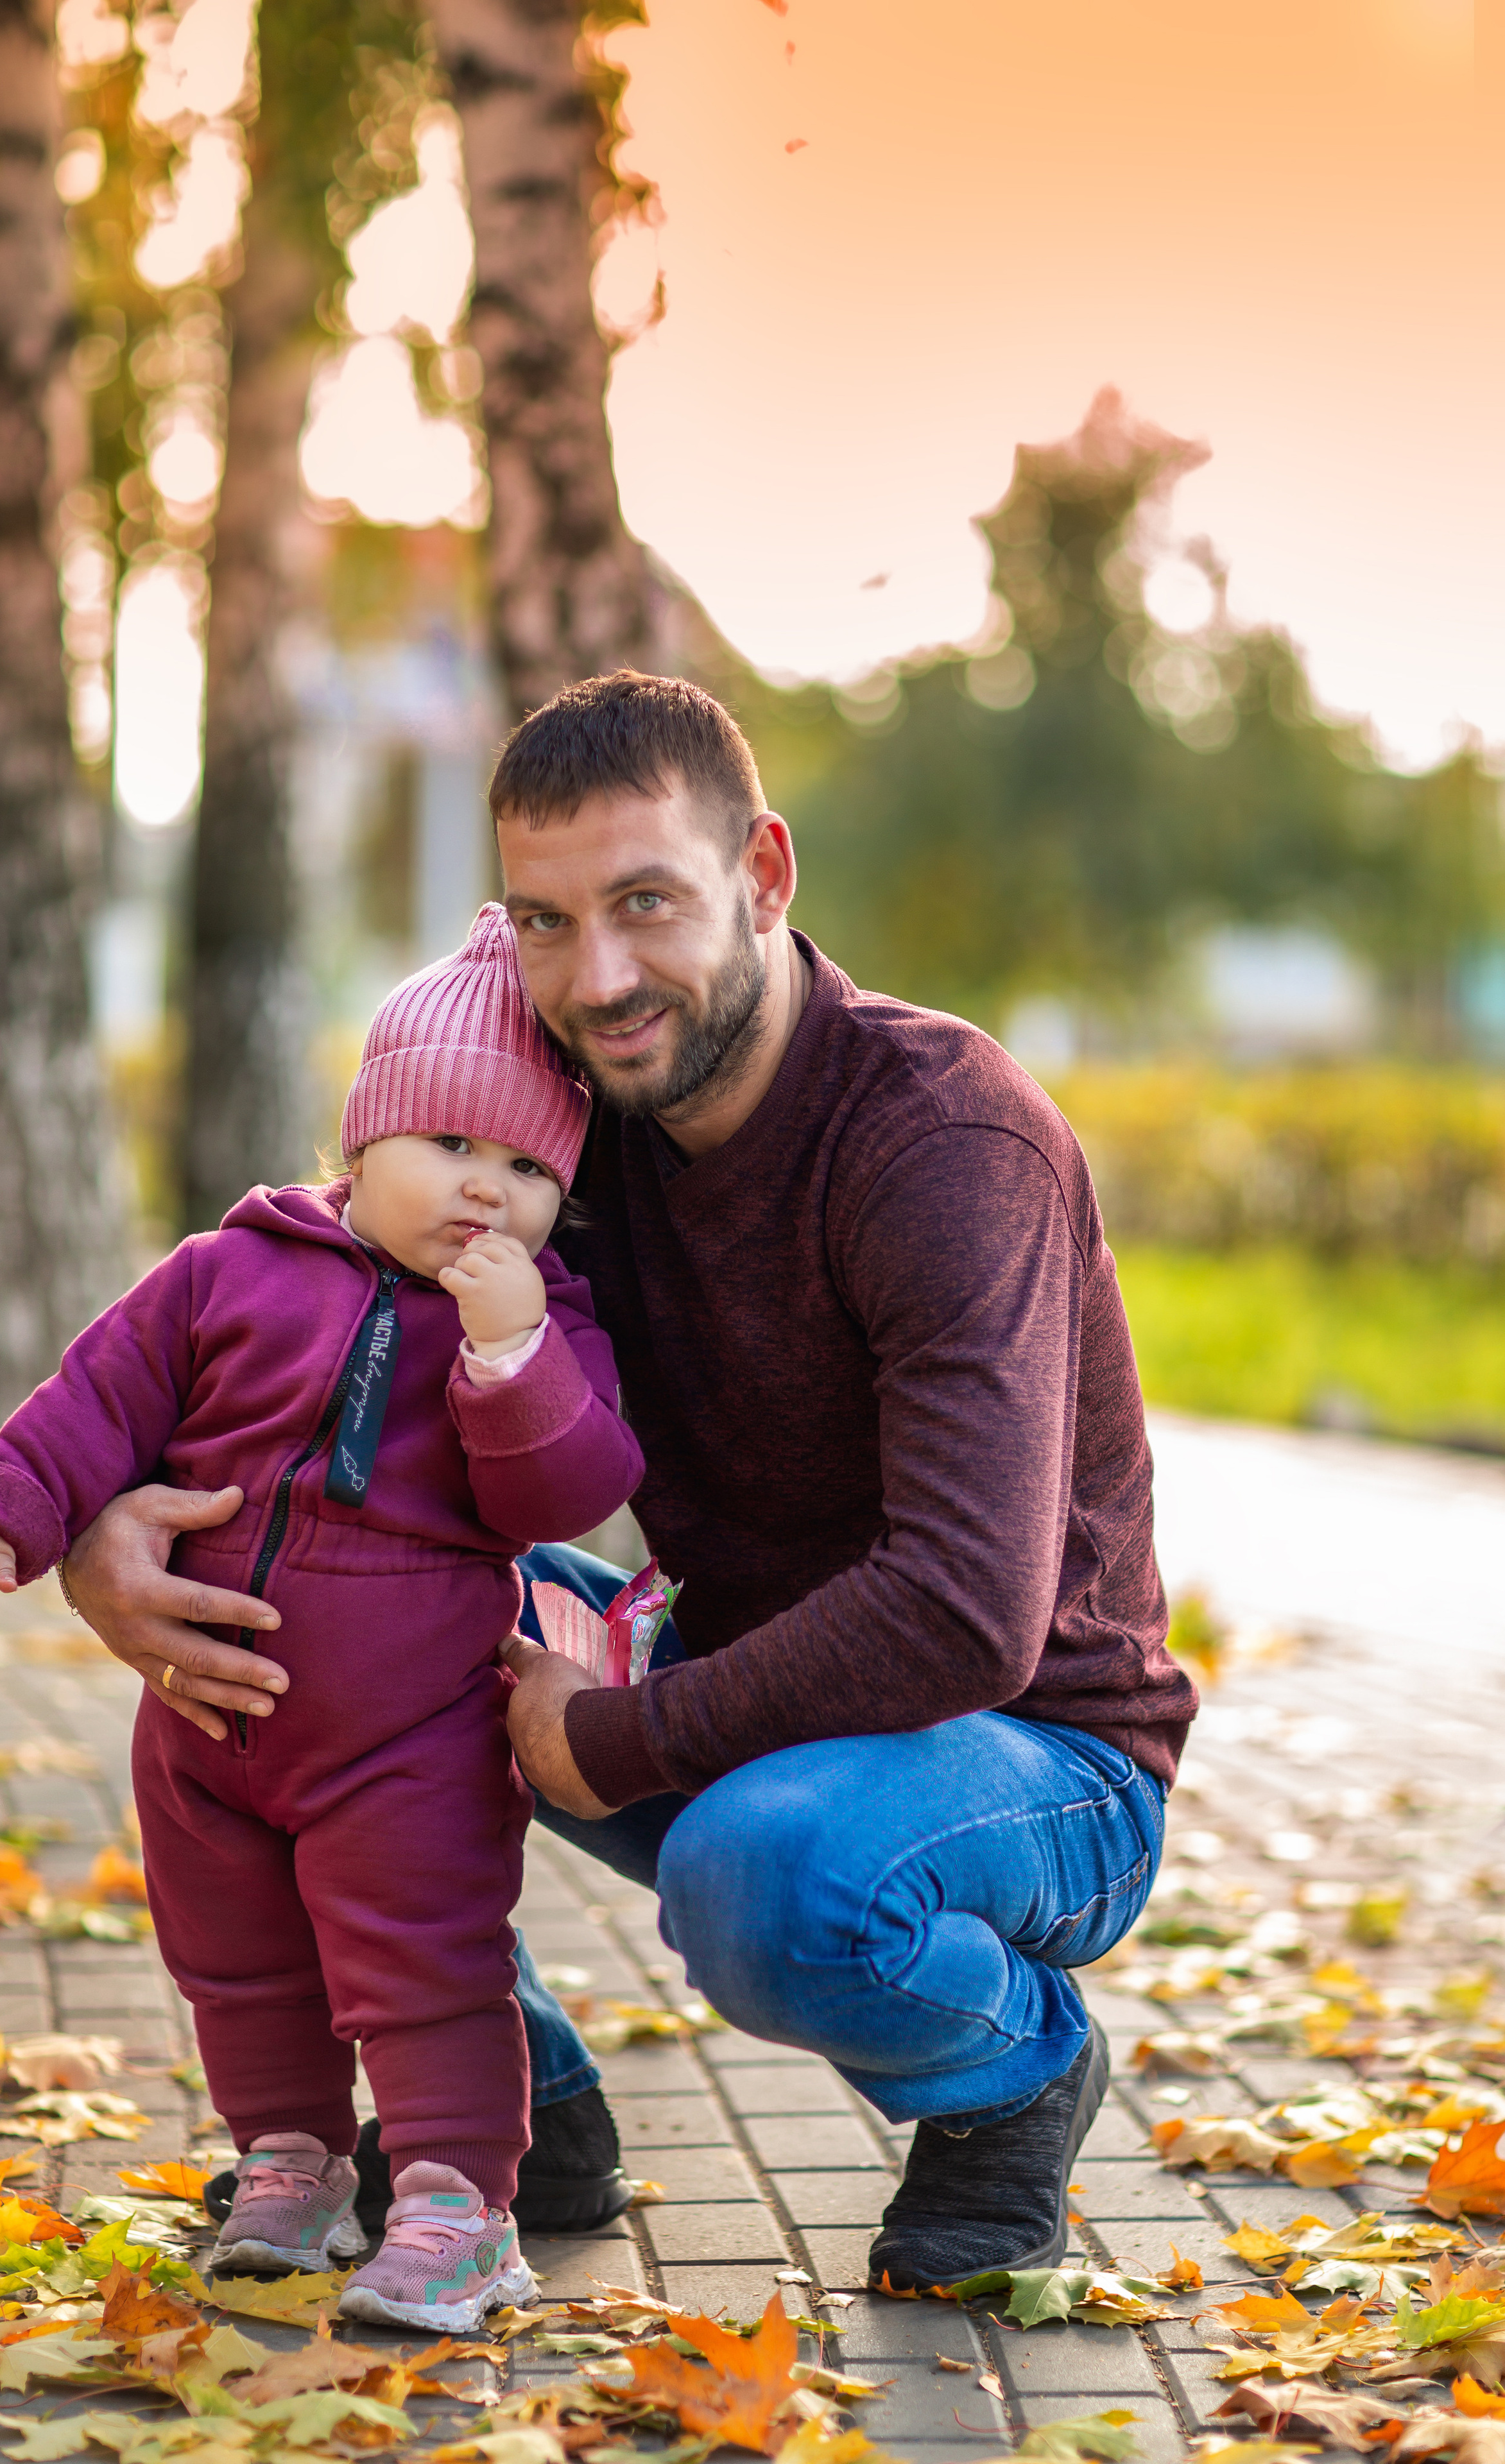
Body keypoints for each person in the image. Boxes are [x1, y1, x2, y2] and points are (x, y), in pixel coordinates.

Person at [61, 672, 1198, 2293]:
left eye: (644, 904)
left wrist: (621, 1737)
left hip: (1035, 1746)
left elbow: (966, 1612)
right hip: (733, 1669)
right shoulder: (562, 1139)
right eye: (542, 920)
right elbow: (315, 1310)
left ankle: (1012, 2077)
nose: (594, 977)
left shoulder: (941, 1142)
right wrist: (117, 1533)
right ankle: (529, 2115)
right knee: (299, 1630)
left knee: (763, 1873)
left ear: (765, 876)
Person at [0, 908, 642, 2329]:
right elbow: (96, 1404)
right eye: (449, 1148)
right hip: (205, 1721)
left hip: (410, 1729)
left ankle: (455, 2208)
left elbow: (572, 1485)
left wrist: (511, 1356)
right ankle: (292, 2168)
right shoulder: (222, 1271)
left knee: (423, 1958)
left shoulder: (537, 1326)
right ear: (359, 1143)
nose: (484, 1193)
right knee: (238, 1959)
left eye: (524, 1169)